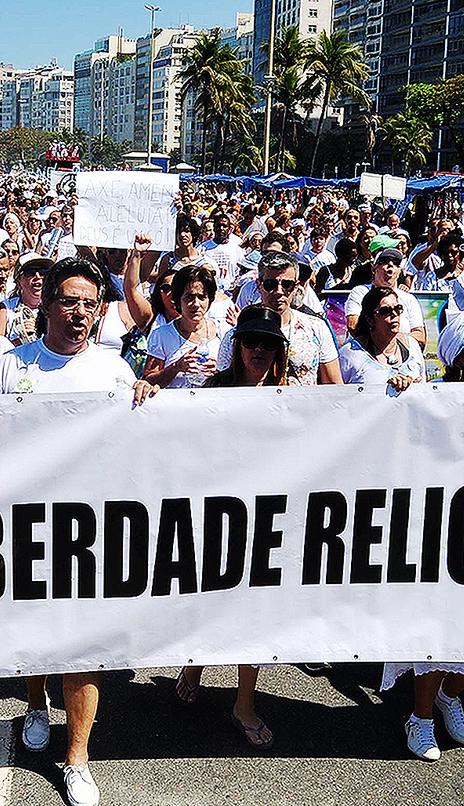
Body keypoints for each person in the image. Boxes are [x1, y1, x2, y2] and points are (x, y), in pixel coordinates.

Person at [0, 258, 155, 806]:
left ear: (100, 310)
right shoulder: (13, 365)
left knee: (84, 642)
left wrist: (150, 403)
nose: (78, 312)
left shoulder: (114, 370)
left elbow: (137, 444)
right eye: (68, 301)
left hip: (91, 529)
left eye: (89, 303)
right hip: (25, 525)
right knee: (33, 632)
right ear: (45, 304)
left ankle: (77, 757)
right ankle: (36, 703)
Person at [383, 308, 464, 762]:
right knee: (434, 630)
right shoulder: (432, 395)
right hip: (438, 531)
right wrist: (404, 392)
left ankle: (450, 695)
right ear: (457, 357)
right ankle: (420, 718)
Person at [174, 306, 287, 750]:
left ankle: (243, 703)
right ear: (237, 347)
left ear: (279, 350)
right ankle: (195, 664)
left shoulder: (295, 396)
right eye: (250, 341)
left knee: (254, 610)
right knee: (207, 599)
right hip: (216, 512)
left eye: (267, 343)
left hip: (267, 518)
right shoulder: (212, 391)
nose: (258, 350)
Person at [218, 251, 343, 386]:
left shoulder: (316, 327)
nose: (279, 291)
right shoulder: (236, 335)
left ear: (295, 288)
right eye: (270, 284)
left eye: (286, 285)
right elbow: (223, 388)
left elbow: (334, 384)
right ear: (259, 285)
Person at [145, 265, 224, 389]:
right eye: (189, 297)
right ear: (178, 300)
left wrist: (220, 372)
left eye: (202, 297)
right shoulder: (161, 335)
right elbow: (148, 380)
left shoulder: (223, 332)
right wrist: (176, 367)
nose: (196, 304)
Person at [338, 286, 426, 390]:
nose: (394, 314)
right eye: (386, 311)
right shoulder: (350, 354)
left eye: (398, 308)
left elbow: (424, 387)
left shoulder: (412, 346)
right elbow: (337, 396)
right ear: (370, 320)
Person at [345, 247, 426, 347]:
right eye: (385, 261)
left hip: (400, 356)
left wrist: (391, 342)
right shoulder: (360, 292)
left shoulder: (409, 299)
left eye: (396, 263)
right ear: (374, 269)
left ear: (399, 272)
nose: (391, 265)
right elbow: (353, 326)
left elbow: (420, 336)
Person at [0, 253, 53, 346]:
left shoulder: (56, 307)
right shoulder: (5, 310)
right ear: (18, 281)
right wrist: (20, 338)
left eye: (43, 272)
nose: (38, 276)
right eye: (30, 273)